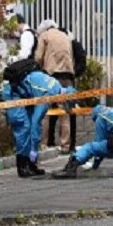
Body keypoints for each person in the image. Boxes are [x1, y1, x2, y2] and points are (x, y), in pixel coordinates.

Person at [2, 70, 72, 177]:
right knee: (24, 127)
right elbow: (36, 123)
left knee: (28, 126)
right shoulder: (49, 95)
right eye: (65, 104)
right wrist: (34, 150)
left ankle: (30, 165)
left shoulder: (56, 85)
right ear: (64, 98)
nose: (62, 106)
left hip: (24, 93)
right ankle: (22, 165)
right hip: (13, 93)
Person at [53, 105, 113, 179]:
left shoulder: (101, 117)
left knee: (90, 147)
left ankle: (71, 168)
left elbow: (99, 143)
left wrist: (95, 166)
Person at [35, 19, 75, 154]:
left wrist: (38, 70)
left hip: (51, 75)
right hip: (67, 76)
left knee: (45, 111)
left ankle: (43, 144)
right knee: (65, 112)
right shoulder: (65, 36)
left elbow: (38, 57)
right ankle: (65, 145)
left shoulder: (44, 36)